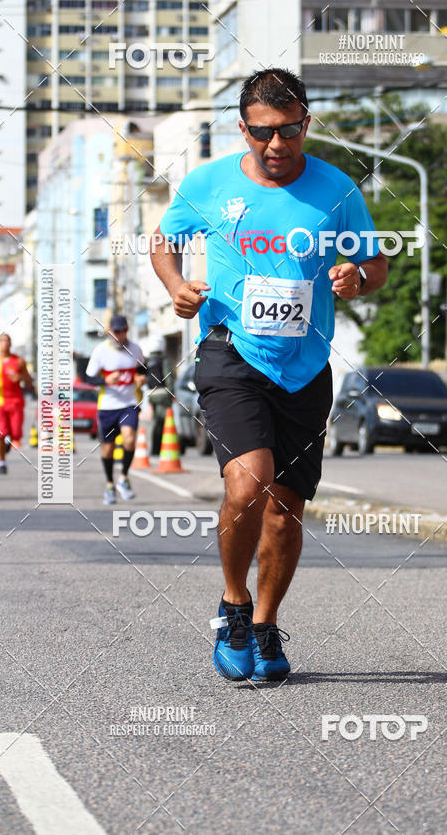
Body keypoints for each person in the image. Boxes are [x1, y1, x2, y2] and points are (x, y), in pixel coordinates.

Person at [151, 67, 388, 682]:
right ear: (244, 129)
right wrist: (177, 287)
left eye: (288, 132)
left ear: (306, 123)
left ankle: (265, 623)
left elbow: (375, 263)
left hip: (305, 364)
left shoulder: (338, 190)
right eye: (262, 134)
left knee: (286, 509)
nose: (276, 147)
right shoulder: (208, 183)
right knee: (247, 485)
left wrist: (357, 279)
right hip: (232, 351)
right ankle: (233, 607)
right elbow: (163, 240)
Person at [85, 314, 147, 505]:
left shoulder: (135, 349)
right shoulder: (100, 351)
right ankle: (110, 484)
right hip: (107, 406)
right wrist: (104, 381)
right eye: (117, 332)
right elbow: (88, 378)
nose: (121, 335)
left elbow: (145, 369)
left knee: (129, 439)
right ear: (110, 332)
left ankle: (123, 478)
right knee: (108, 448)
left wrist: (142, 378)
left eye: (124, 331)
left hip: (129, 404)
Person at [0, 334, 32, 474]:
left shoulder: (19, 361)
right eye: (2, 340)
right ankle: (2, 462)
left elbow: (29, 381)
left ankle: (9, 440)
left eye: (7, 340)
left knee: (16, 434)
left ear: (10, 343)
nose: (5, 343)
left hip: (16, 402)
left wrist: (21, 377)